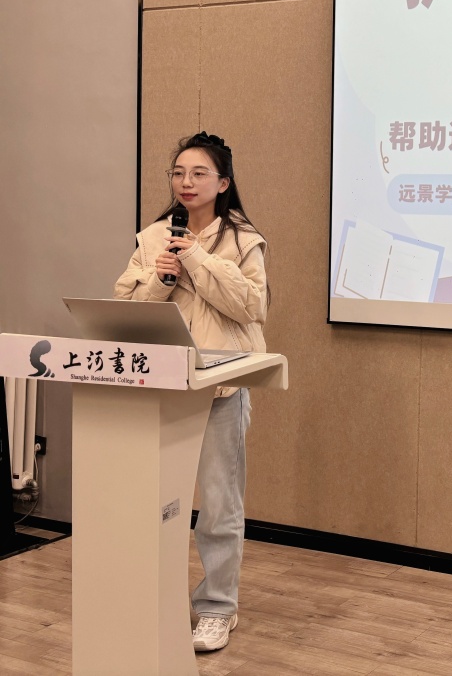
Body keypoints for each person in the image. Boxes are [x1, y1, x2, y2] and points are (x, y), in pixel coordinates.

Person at [113, 131, 267, 653]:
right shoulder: (154, 236)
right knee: (156, 500)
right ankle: (153, 598)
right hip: (161, 383)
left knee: (219, 505)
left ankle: (218, 608)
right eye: (178, 172)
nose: (186, 182)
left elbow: (251, 306)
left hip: (219, 387)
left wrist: (198, 259)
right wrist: (159, 280)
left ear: (223, 183)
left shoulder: (243, 240)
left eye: (199, 173)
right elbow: (124, 309)